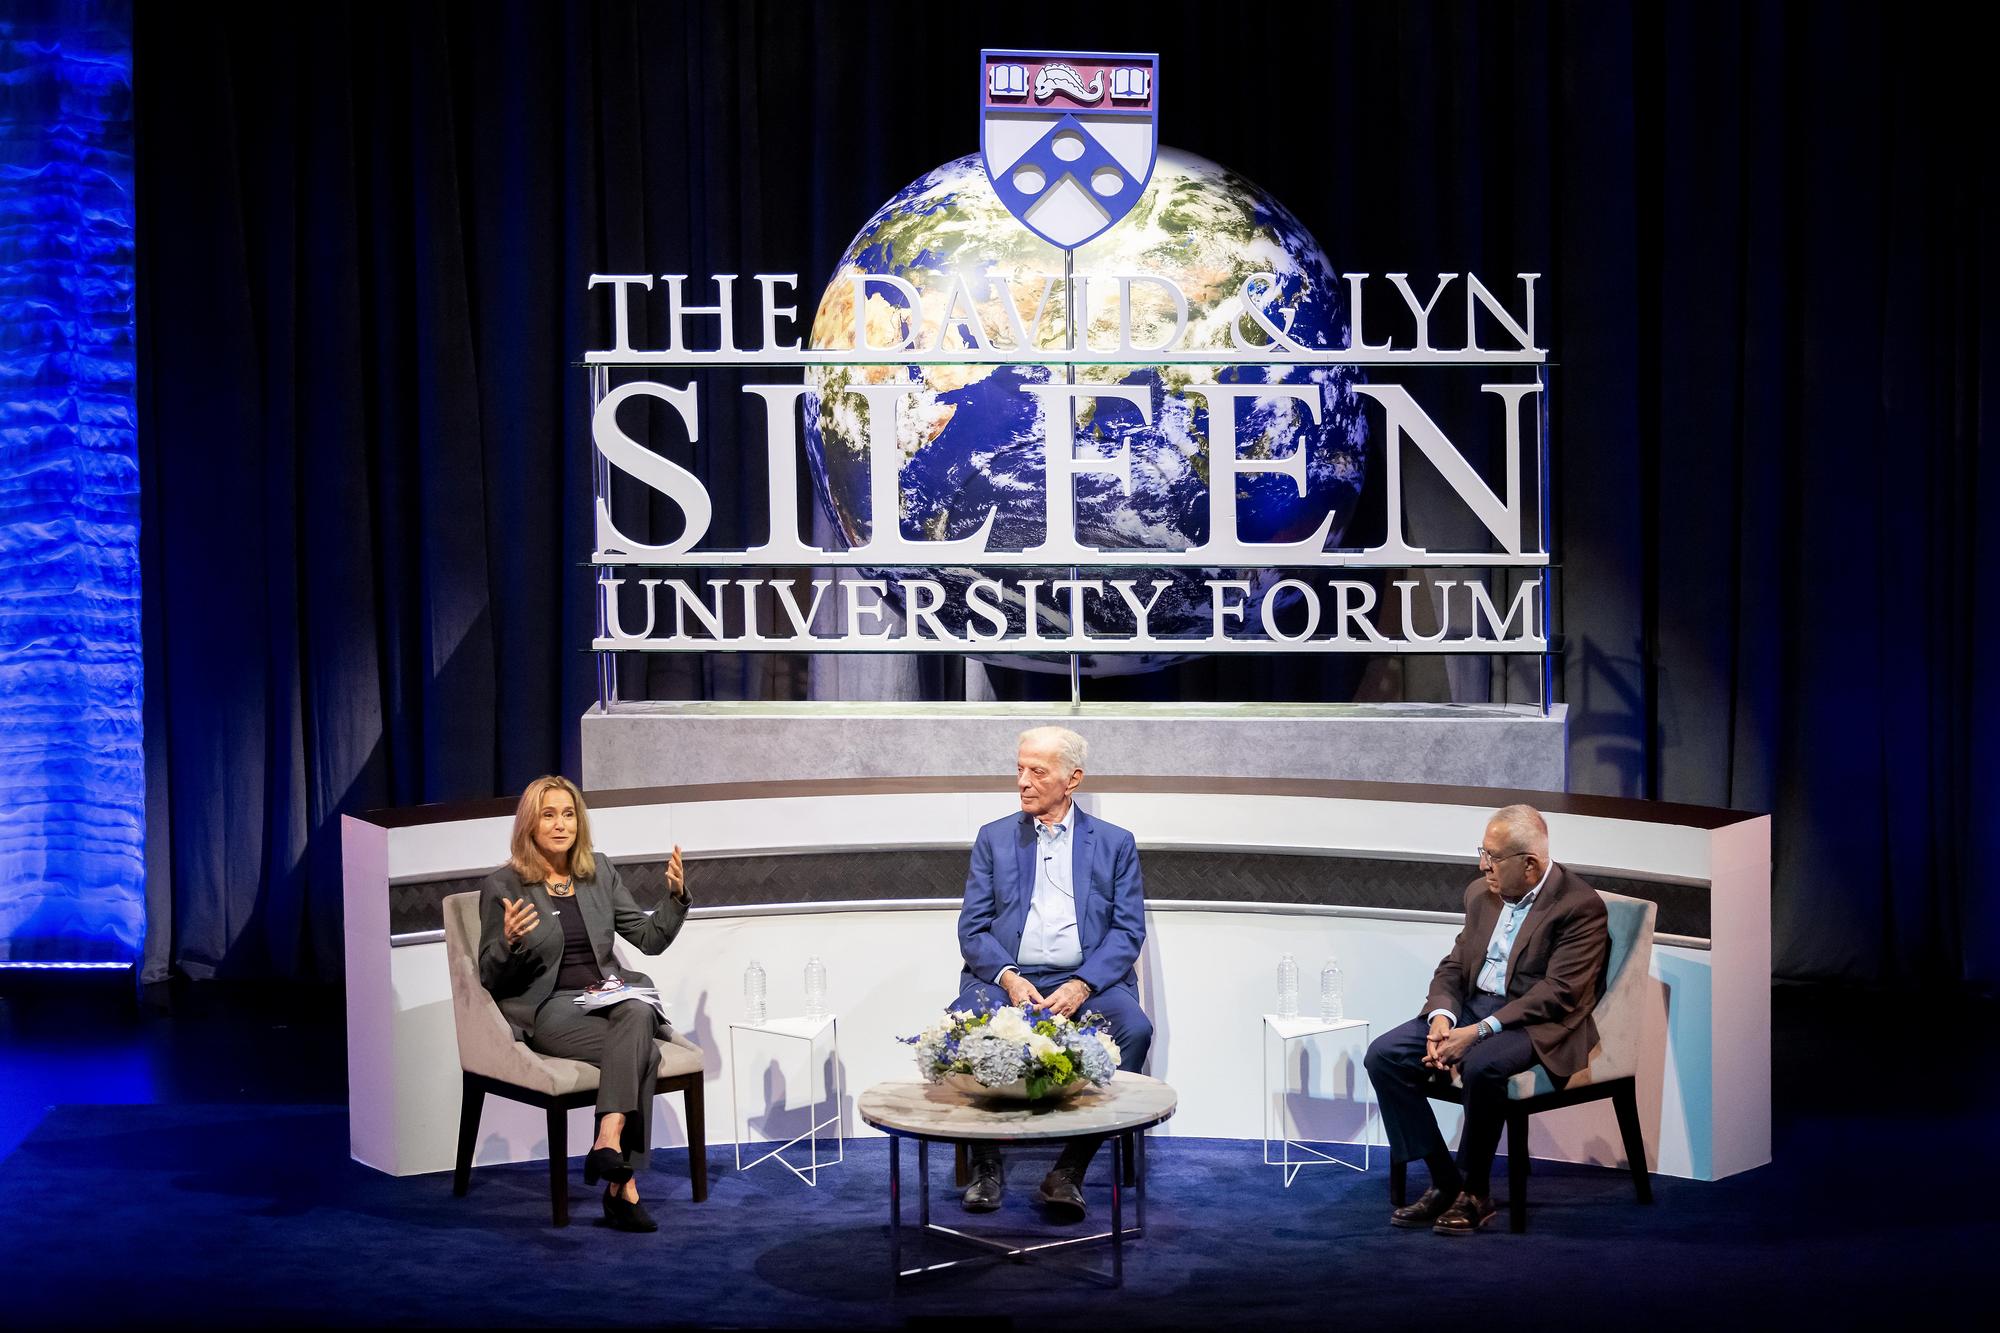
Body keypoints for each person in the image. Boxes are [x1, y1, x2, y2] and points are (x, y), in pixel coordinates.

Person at [1362, 803, 1609, 1236]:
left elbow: (1559, 994)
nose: (1483, 866)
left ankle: (1476, 1193)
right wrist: (1442, 1018)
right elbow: (1455, 966)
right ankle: (1445, 1181)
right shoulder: (1482, 894)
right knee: (1384, 1055)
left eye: (1492, 857)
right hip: (1475, 1009)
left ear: (1529, 864)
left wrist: (1477, 1033)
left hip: (1538, 1022)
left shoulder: (1579, 906)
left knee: (1482, 1064)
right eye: (1483, 852)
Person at [950, 725, 1153, 1222]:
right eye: (1019, 769)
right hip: (1007, 976)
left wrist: (1082, 984)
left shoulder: (1114, 843)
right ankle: (987, 1165)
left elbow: (1127, 933)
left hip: (1086, 978)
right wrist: (1009, 977)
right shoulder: (994, 838)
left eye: (1036, 771)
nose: (1022, 781)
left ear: (1073, 779)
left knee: (1134, 1029)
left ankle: (1069, 1172)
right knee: (961, 1025)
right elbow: (972, 929)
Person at [477, 775, 692, 1233]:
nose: (560, 824)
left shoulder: (598, 870)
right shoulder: (503, 884)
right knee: (645, 1052)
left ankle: (607, 1140)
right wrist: (510, 943)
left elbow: (649, 939)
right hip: (550, 1007)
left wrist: (674, 898)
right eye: (549, 815)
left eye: (569, 814)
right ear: (530, 825)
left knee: (636, 1009)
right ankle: (622, 1189)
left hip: (606, 997)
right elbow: (489, 977)